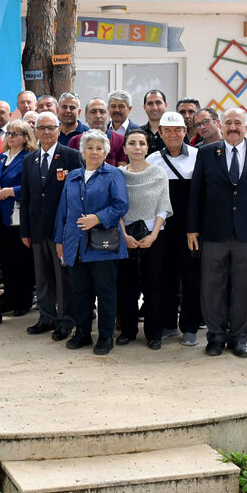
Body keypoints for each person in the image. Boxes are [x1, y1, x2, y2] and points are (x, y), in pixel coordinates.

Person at [186, 108, 247, 359]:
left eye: (238, 123)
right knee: (212, 286)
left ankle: (239, 338)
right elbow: (196, 193)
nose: (232, 127)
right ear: (220, 124)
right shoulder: (207, 153)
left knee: (243, 288)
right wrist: (192, 228)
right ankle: (216, 336)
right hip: (214, 232)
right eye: (228, 123)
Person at [55, 130, 128, 355]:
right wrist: (59, 240)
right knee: (80, 292)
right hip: (74, 244)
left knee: (105, 292)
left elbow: (120, 205)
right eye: (90, 148)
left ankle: (105, 337)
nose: (94, 152)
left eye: (99, 148)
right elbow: (63, 212)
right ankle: (83, 333)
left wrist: (97, 218)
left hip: (102, 245)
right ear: (83, 151)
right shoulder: (73, 176)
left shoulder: (113, 174)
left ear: (105, 152)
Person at [21, 111, 82, 341]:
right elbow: (26, 198)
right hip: (37, 230)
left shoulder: (71, 156)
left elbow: (77, 197)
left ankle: (66, 320)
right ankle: (46, 316)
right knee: (43, 276)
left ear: (58, 129)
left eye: (51, 127)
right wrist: (25, 231)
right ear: (35, 131)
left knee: (63, 278)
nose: (46, 132)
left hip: (62, 232)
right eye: (42, 128)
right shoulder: (30, 160)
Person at [146, 112, 201, 346]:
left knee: (191, 277)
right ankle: (168, 324)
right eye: (167, 130)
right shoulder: (152, 160)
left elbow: (200, 197)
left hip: (190, 230)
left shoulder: (199, 157)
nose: (172, 134)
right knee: (165, 277)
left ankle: (190, 326)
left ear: (185, 131)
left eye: (177, 129)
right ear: (160, 133)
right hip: (162, 229)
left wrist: (194, 227)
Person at [115, 128, 172, 349]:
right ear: (125, 147)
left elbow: (163, 207)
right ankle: (128, 331)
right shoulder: (118, 174)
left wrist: (153, 235)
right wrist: (124, 235)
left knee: (154, 287)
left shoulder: (158, 173)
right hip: (126, 236)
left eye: (142, 143)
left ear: (148, 147)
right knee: (126, 286)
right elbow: (116, 208)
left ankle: (153, 333)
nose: (137, 147)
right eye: (132, 143)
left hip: (154, 237)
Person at [0, 118, 35, 315]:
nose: (11, 137)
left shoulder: (30, 157)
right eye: (9, 133)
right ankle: (10, 296)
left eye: (16, 134)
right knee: (6, 260)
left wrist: (12, 191)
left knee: (21, 261)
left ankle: (23, 301)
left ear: (25, 137)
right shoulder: (0, 158)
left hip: (19, 217)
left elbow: (33, 186)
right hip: (0, 217)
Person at [70, 98, 126, 165]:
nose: (98, 116)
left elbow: (121, 172)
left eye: (102, 112)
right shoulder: (75, 141)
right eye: (93, 112)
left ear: (108, 116)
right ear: (85, 116)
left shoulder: (121, 141)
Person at [141, 90, 168, 155]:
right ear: (144, 107)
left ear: (166, 105)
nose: (154, 107)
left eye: (158, 103)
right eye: (150, 103)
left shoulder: (176, 133)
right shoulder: (138, 133)